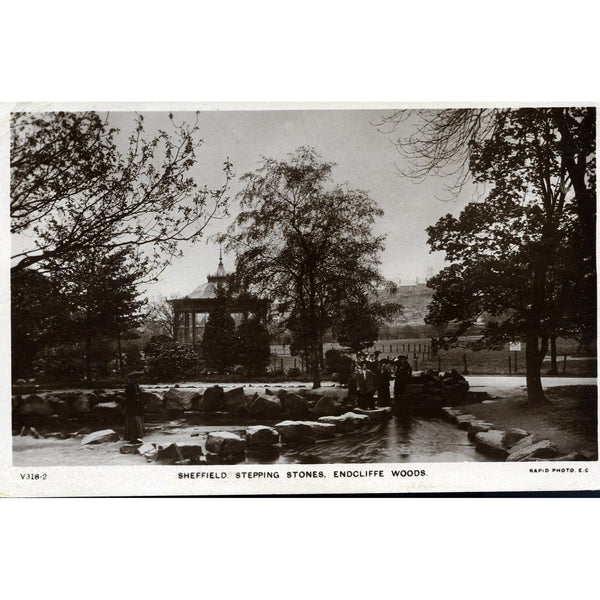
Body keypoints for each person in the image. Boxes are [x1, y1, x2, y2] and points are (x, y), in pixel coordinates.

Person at [123, 371, 145, 443]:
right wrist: (136, 396)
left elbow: (140, 395)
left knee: (137, 422)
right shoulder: (129, 386)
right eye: (136, 378)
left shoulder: (137, 386)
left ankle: (136, 437)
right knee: (132, 422)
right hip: (131, 407)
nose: (138, 380)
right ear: (132, 379)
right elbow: (129, 397)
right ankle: (132, 438)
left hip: (137, 407)